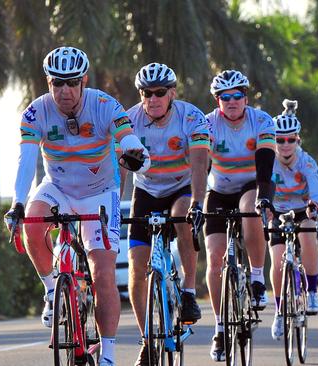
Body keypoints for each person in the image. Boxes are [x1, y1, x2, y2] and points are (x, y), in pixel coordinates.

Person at [4, 46, 150, 366]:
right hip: (58, 187)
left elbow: (128, 138)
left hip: (99, 191)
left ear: (83, 81)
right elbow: (26, 161)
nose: (64, 91)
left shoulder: (104, 105)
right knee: (33, 221)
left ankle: (108, 353)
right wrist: (17, 202)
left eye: (71, 82)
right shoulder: (35, 112)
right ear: (48, 83)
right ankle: (51, 292)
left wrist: (136, 152)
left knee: (102, 272)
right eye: (57, 83)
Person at [122, 63, 210, 365]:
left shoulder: (192, 117)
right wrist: (110, 207)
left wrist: (199, 202)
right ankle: (147, 339)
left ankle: (187, 291)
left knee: (184, 216)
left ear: (172, 93)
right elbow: (119, 169)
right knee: (136, 267)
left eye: (160, 92)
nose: (153, 98)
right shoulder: (130, 120)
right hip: (145, 191)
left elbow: (200, 164)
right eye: (146, 93)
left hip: (181, 186)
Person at [204, 70, 275, 361]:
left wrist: (264, 197)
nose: (231, 102)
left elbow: (265, 163)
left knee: (250, 208)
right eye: (225, 97)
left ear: (245, 98)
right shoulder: (207, 124)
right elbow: (200, 165)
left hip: (252, 183)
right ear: (218, 100)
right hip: (219, 189)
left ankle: (257, 279)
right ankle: (220, 328)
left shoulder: (261, 121)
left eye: (237, 96)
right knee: (214, 257)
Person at [268, 99, 318, 340]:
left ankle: (312, 292)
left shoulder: (306, 161)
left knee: (309, 235)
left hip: (303, 209)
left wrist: (314, 205)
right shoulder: (268, 161)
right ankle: (280, 311)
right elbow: (260, 187)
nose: (285, 144)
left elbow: (316, 189)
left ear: (298, 140)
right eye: (280, 140)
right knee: (277, 260)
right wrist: (266, 207)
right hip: (278, 210)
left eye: (291, 139)